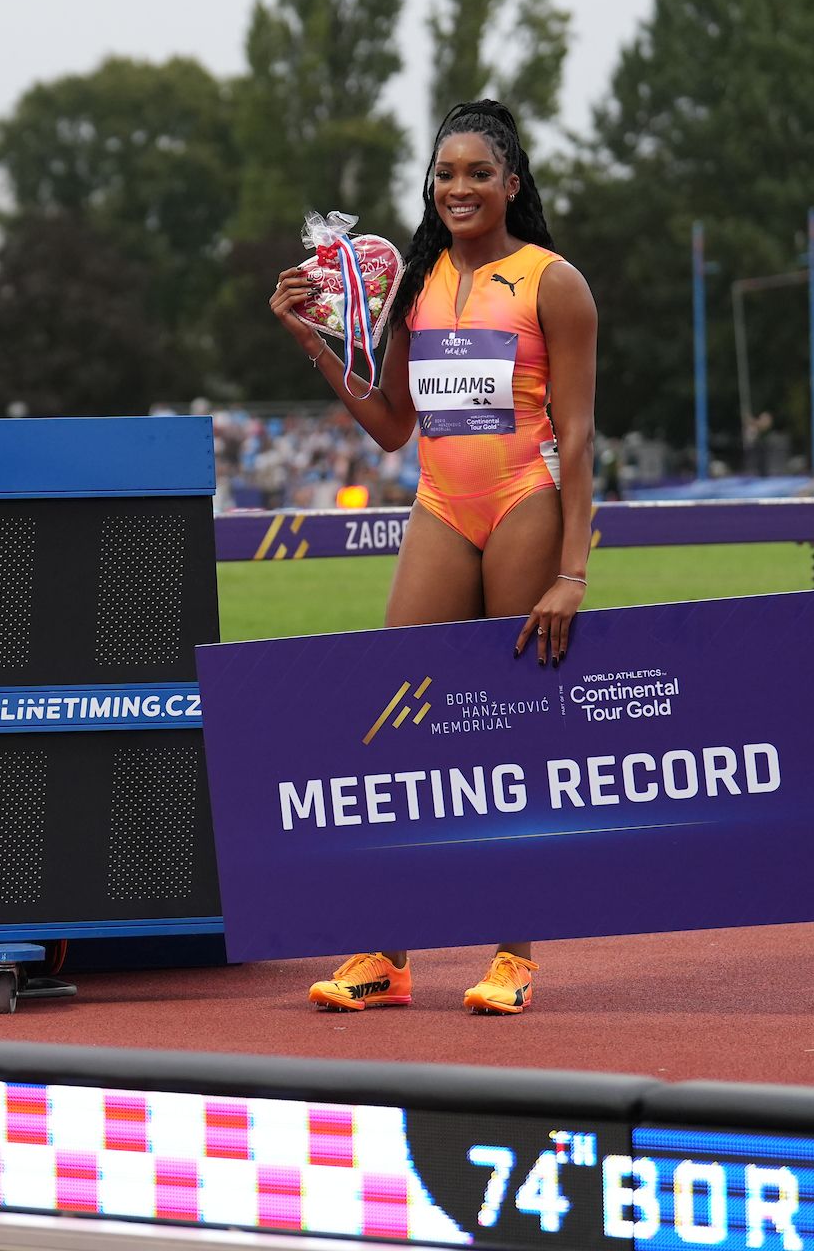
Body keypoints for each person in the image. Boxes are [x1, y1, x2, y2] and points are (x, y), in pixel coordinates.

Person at [269, 99, 596, 1016]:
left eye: (477, 174)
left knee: (511, 729)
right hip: (442, 504)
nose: (458, 188)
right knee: (399, 720)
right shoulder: (414, 286)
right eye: (444, 175)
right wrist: (315, 342)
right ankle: (387, 951)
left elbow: (577, 436)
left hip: (526, 502)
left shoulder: (553, 283)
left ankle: (513, 955)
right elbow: (390, 427)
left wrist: (573, 573)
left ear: (512, 185)